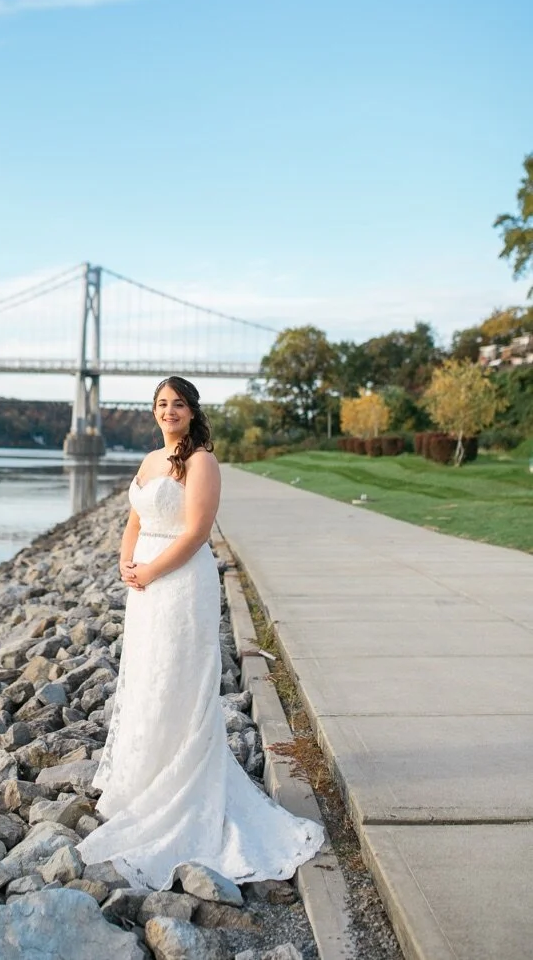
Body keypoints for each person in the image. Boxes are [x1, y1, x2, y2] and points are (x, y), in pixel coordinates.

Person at [75, 376, 324, 890]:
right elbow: (135, 520)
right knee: (147, 678)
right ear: (154, 411)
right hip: (144, 586)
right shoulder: (148, 462)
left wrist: (150, 571)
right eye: (162, 404)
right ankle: (143, 783)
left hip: (180, 584)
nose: (169, 411)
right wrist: (126, 562)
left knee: (179, 682)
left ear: (191, 411)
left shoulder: (202, 461)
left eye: (178, 404)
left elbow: (195, 533)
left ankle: (180, 793)